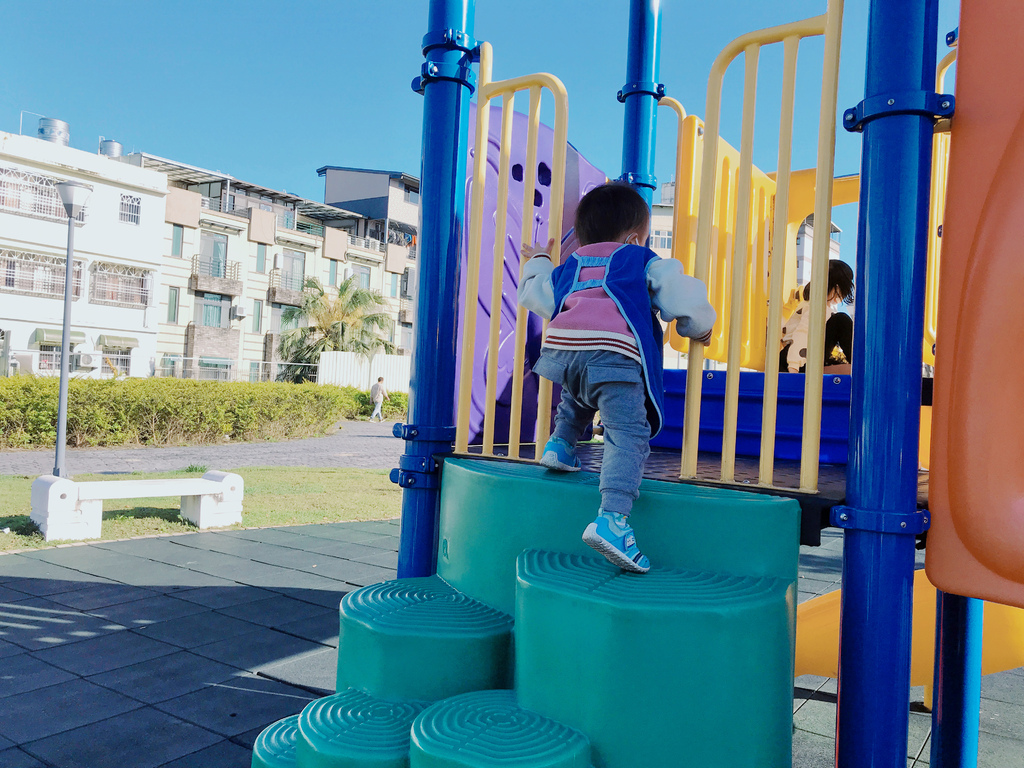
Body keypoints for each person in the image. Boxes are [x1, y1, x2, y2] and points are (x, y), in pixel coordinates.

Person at [518, 182, 716, 574]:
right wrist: (699, 327)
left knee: (577, 393)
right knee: (628, 434)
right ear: (633, 237)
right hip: (614, 356)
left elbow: (534, 295)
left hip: (563, 353)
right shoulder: (641, 259)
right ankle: (613, 519)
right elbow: (682, 297)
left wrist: (540, 258)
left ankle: (560, 444)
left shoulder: (569, 267)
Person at [779, 259, 855, 373]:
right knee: (841, 320)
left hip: (798, 358)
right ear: (836, 287)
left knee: (847, 369)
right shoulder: (817, 306)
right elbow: (803, 333)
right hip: (795, 358)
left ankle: (857, 365)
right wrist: (793, 367)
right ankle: (860, 363)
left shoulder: (812, 305)